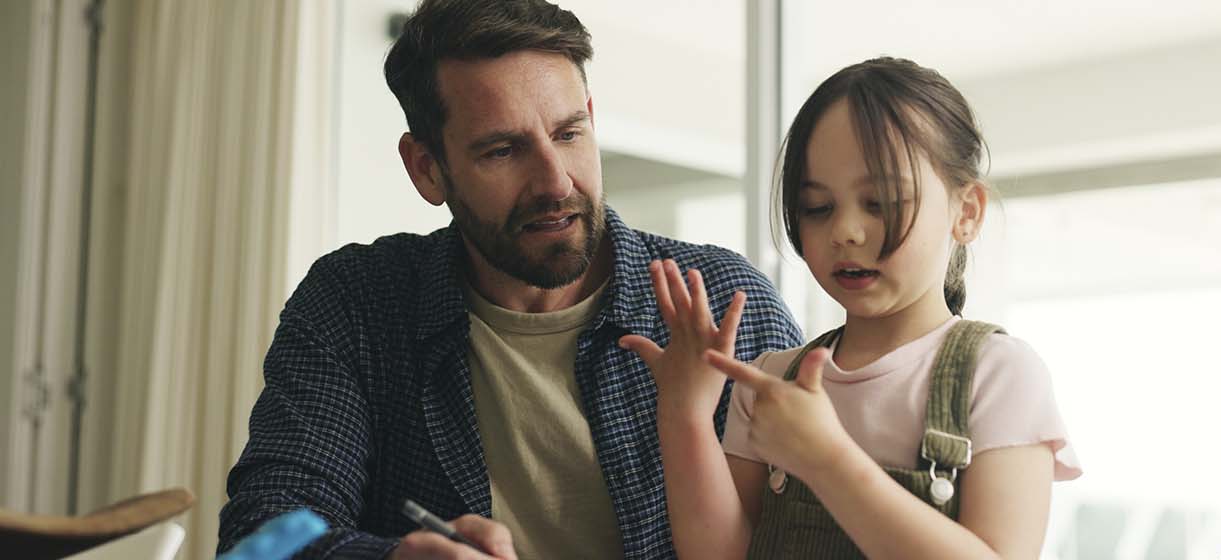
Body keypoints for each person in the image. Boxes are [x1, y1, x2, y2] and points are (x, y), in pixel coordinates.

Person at [215, 1, 802, 558]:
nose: (555, 181)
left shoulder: (728, 302)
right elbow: (267, 528)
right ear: (427, 169)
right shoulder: (358, 303)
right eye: (502, 150)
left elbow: (815, 533)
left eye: (569, 134)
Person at [620, 57, 1082, 559]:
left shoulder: (999, 373)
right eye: (818, 207)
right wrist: (685, 412)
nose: (845, 231)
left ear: (966, 213)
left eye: (880, 202)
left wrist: (825, 459)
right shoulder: (771, 381)